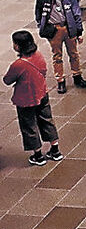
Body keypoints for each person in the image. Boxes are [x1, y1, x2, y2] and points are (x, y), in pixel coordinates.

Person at [3, 30, 62, 166]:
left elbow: (7, 80)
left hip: (26, 100)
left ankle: (38, 155)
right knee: (47, 121)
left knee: (29, 126)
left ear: (18, 46)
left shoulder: (18, 64)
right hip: (42, 94)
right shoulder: (39, 56)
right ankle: (55, 150)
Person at [35, 0, 86, 94]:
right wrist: (43, 28)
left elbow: (76, 15)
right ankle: (60, 80)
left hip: (68, 28)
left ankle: (77, 76)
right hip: (54, 31)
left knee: (73, 54)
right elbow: (38, 16)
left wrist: (79, 31)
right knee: (57, 56)